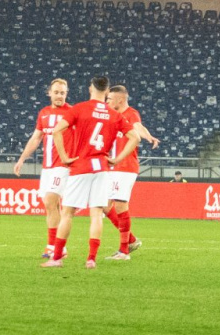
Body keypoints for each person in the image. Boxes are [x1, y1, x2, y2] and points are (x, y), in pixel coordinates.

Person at [48, 76, 121, 269]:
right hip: (102, 168)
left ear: (90, 89)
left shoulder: (79, 108)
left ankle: (56, 258)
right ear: (107, 92)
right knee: (96, 214)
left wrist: (64, 157)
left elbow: (56, 131)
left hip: (81, 166)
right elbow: (134, 137)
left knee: (67, 213)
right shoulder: (113, 114)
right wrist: (116, 159)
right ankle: (91, 260)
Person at [13, 78, 73, 262]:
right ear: (49, 93)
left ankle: (54, 246)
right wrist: (22, 159)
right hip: (47, 167)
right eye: (56, 92)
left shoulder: (72, 113)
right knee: (51, 206)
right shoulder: (44, 113)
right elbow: (36, 138)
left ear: (66, 94)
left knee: (50, 201)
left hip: (63, 166)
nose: (59, 96)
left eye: (62, 93)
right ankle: (57, 246)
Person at [102, 82, 159, 260]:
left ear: (120, 99)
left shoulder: (130, 113)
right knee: (104, 206)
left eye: (109, 99)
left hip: (125, 166)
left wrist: (148, 137)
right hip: (113, 167)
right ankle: (131, 240)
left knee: (120, 205)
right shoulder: (113, 115)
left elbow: (138, 127)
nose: (107, 102)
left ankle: (124, 251)